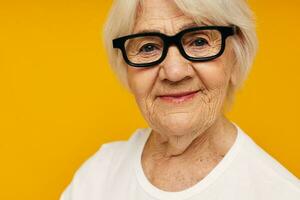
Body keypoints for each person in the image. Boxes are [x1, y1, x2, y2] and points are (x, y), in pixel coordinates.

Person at [60, 0, 300, 199]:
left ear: (235, 59)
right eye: (148, 47)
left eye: (199, 42)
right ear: (126, 69)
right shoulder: (97, 177)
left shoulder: (279, 192)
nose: (174, 72)